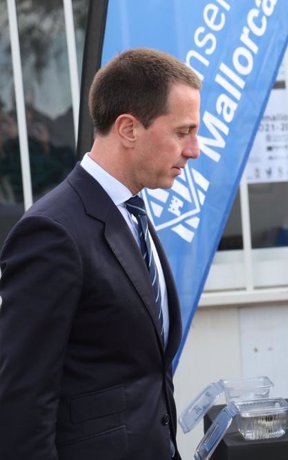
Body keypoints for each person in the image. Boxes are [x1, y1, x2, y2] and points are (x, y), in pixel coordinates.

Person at [0, 48, 201, 459]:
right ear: (128, 128)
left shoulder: (131, 211)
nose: (194, 150)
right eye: (182, 132)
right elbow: (22, 398)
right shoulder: (52, 232)